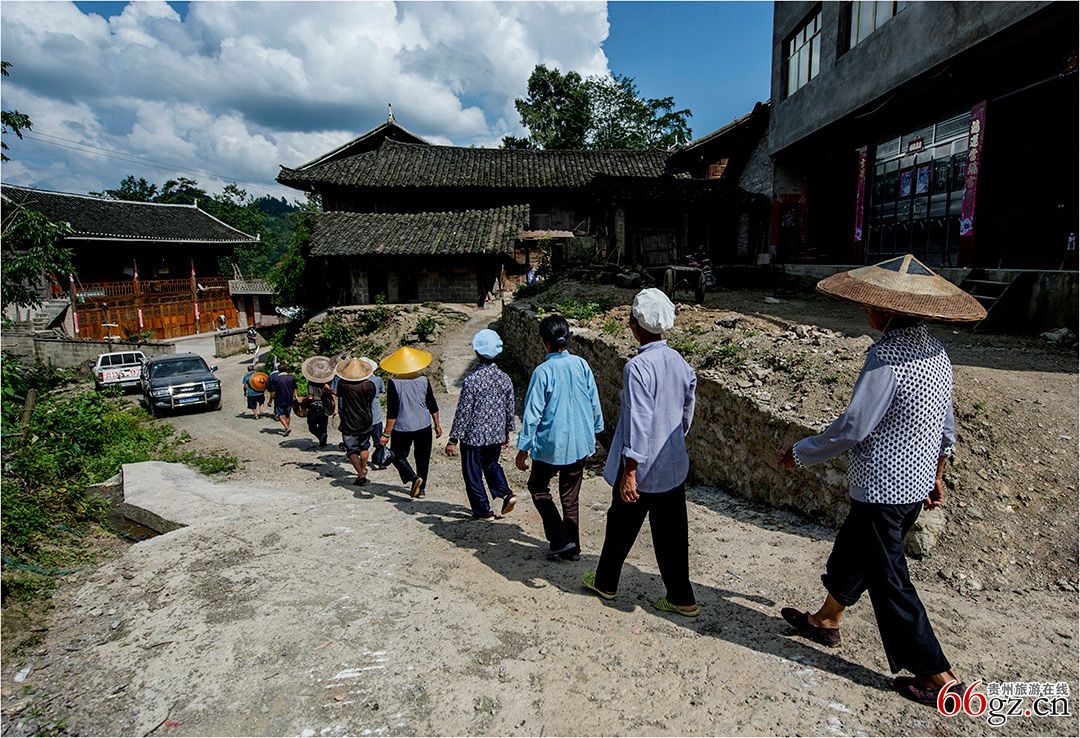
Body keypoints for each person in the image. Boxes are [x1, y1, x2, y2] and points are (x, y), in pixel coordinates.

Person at [776, 254, 986, 706]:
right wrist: (936, 474)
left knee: (890, 578)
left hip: (882, 489)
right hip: (912, 485)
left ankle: (937, 675)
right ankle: (826, 620)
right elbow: (945, 426)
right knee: (853, 549)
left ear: (885, 312)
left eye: (870, 307)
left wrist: (801, 451)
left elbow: (854, 426)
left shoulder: (886, 356)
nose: (865, 312)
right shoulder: (936, 352)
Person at [582, 289, 699, 616]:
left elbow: (638, 420)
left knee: (620, 522)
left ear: (634, 326)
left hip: (640, 465)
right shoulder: (679, 362)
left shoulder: (637, 368)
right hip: (671, 462)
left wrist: (630, 471)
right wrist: (675, 439)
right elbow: (688, 408)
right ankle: (682, 596)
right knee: (673, 532)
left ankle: (606, 582)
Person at [515, 315, 604, 560]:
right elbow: (594, 400)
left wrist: (523, 447)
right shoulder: (581, 364)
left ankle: (560, 540)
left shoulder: (543, 372)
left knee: (537, 486)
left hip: (550, 445)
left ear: (544, 341)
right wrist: (596, 430)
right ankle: (572, 547)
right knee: (570, 496)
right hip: (580, 442)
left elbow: (532, 413)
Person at [445, 329, 517, 521]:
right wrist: (507, 432)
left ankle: (483, 510)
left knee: (473, 472)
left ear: (477, 353)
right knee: (492, 464)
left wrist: (453, 438)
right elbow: (510, 408)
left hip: (473, 436)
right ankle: (506, 492)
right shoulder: (505, 378)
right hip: (495, 434)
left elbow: (463, 412)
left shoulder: (471, 381)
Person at [379, 347, 441, 498]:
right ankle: (422, 489)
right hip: (423, 425)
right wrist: (437, 425)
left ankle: (413, 478)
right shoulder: (423, 380)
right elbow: (432, 404)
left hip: (402, 426)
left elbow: (392, 411)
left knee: (397, 456)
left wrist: (386, 433)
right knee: (423, 458)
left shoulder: (394, 382)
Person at [335, 357, 378, 486]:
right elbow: (370, 400)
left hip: (349, 421)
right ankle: (363, 468)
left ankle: (360, 474)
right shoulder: (370, 385)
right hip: (366, 420)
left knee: (351, 449)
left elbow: (339, 396)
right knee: (364, 446)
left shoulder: (343, 385)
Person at [301, 356, 337, 447]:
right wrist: (334, 408)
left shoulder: (311, 383)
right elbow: (332, 395)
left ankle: (320, 435)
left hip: (314, 405)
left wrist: (303, 400)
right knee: (323, 424)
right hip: (325, 405)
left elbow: (310, 397)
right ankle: (323, 441)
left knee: (312, 425)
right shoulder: (328, 383)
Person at [360, 356, 387, 468]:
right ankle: (379, 461)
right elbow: (382, 391)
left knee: (363, 444)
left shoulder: (358, 382)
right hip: (376, 415)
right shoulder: (378, 380)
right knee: (379, 441)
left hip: (362, 417)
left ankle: (363, 463)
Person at [267, 369, 298, 436]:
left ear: (279, 370)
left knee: (280, 414)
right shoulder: (291, 377)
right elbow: (295, 387)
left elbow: (273, 392)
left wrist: (270, 401)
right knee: (287, 414)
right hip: (289, 399)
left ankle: (286, 427)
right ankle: (287, 427)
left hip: (279, 400)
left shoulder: (276, 379)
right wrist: (296, 396)